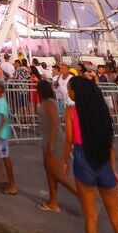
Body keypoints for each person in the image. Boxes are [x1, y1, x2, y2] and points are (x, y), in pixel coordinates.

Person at [64, 77, 118, 233]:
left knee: (91, 218)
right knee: (117, 221)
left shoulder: (71, 111)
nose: (68, 93)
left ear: (77, 92)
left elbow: (69, 140)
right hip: (104, 163)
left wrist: (64, 159)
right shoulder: (102, 112)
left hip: (82, 162)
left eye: (69, 89)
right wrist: (114, 170)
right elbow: (109, 143)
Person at [37, 79, 78, 212]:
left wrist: (50, 143)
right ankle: (53, 202)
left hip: (53, 141)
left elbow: (55, 123)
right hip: (47, 140)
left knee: (59, 174)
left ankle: (86, 198)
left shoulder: (49, 103)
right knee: (50, 173)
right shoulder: (45, 102)